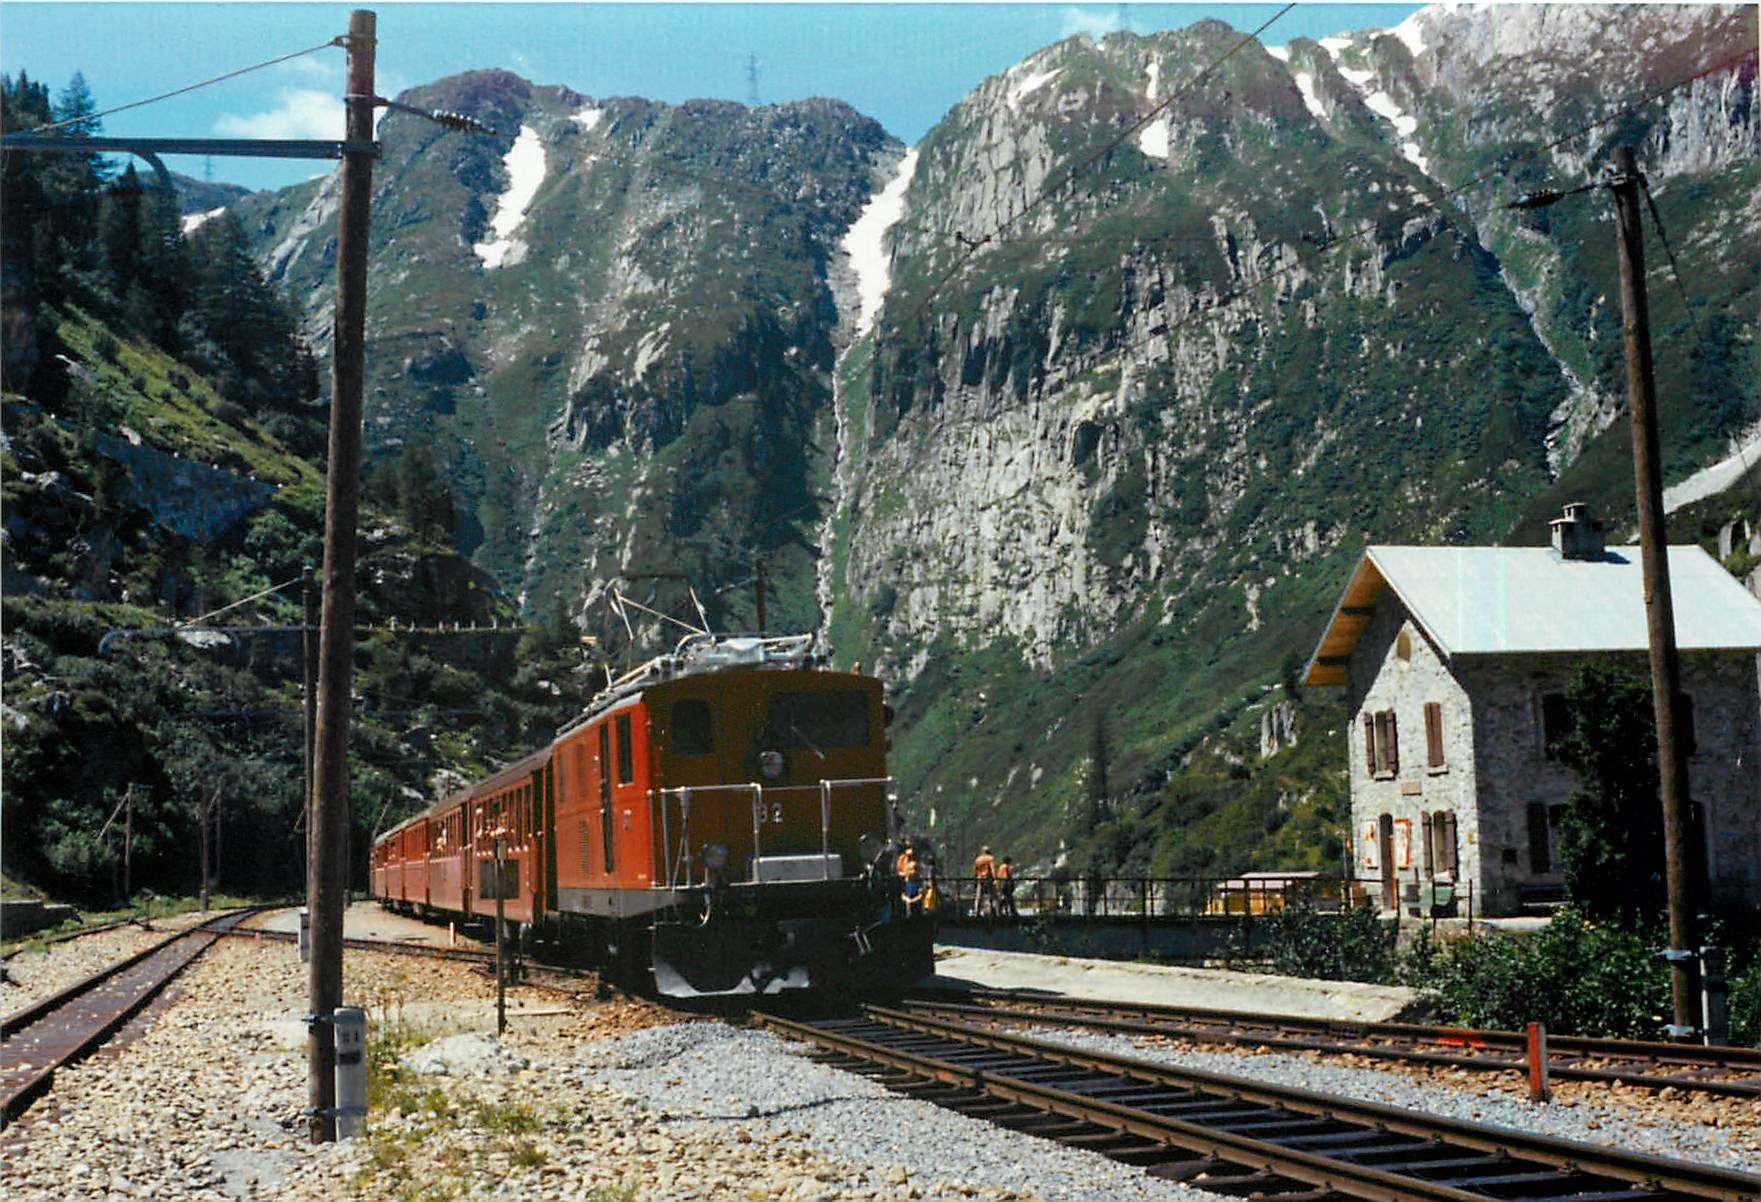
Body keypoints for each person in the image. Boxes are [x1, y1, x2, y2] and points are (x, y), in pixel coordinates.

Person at [897, 840, 923, 916]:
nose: (913, 872)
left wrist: (912, 900)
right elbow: (902, 894)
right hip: (906, 905)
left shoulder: (919, 882)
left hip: (916, 906)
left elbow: (920, 895)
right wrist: (907, 899)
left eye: (915, 870)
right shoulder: (902, 859)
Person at [973, 845, 997, 918]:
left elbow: (975, 870)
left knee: (978, 896)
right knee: (992, 895)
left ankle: (976, 911)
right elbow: (992, 869)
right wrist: (995, 879)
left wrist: (975, 879)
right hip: (988, 878)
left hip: (980, 878)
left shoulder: (978, 859)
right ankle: (993, 911)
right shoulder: (990, 858)